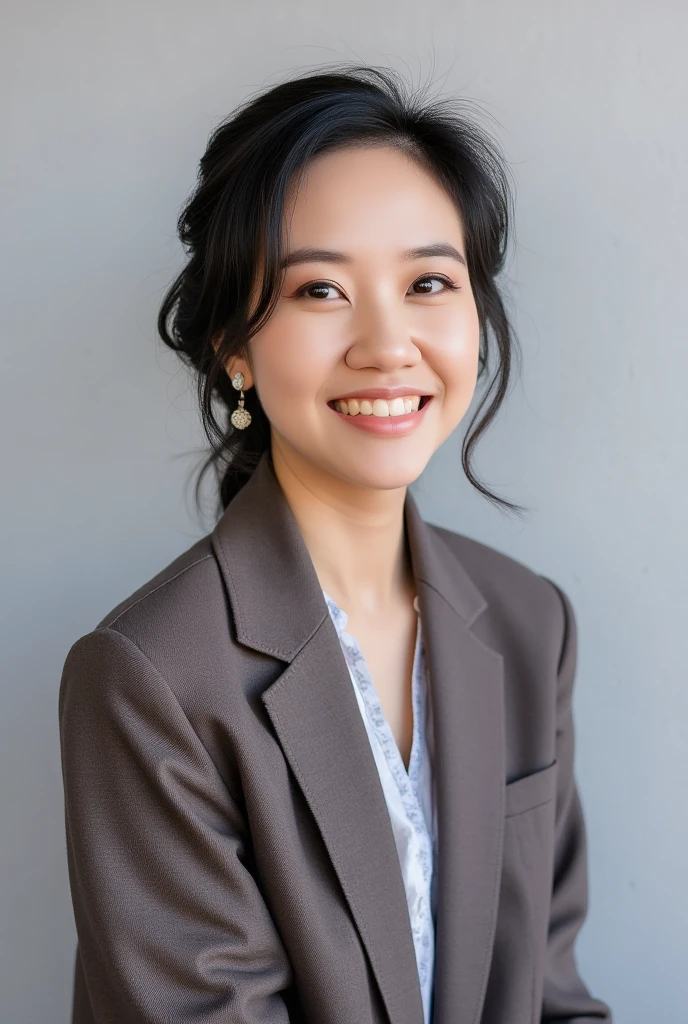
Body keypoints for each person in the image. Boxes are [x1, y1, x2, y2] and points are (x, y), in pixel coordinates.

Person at [58, 63, 612, 1024]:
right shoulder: (150, 675)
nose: (388, 343)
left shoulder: (531, 621)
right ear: (235, 342)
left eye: (429, 281)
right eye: (321, 291)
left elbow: (553, 995)